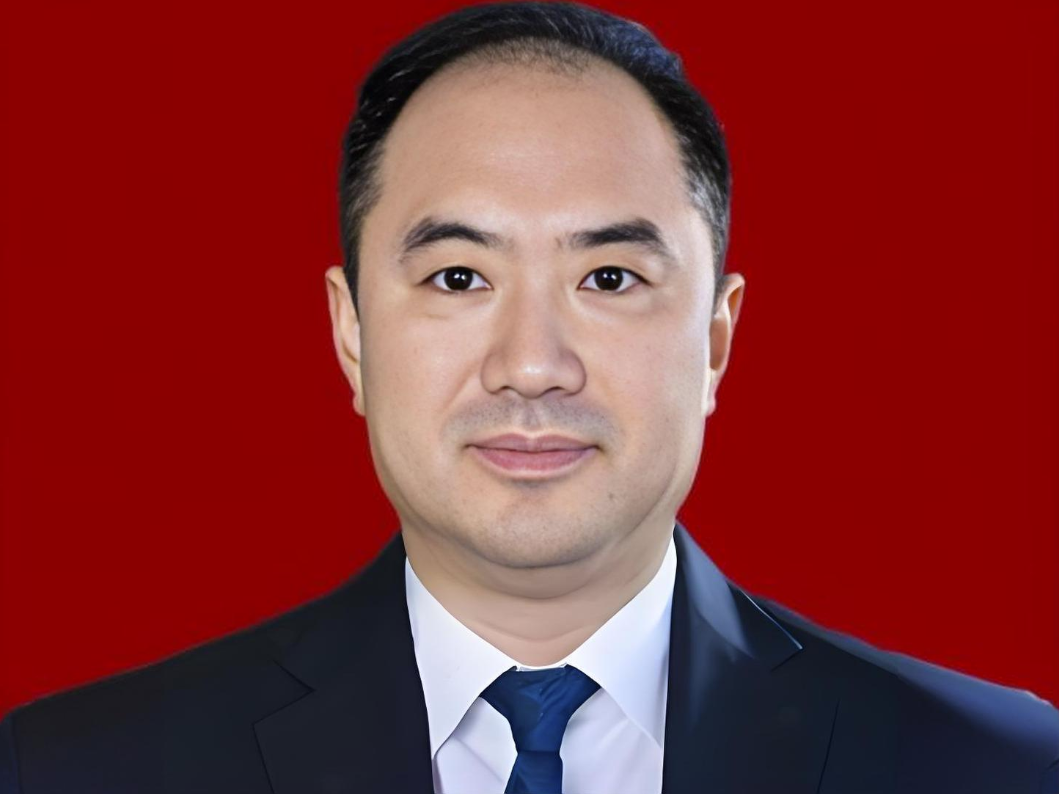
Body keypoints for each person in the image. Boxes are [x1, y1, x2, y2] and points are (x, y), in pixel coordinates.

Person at [1, 2, 1056, 792]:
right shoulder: (71, 769)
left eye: (611, 278)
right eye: (459, 277)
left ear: (716, 338)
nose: (533, 365)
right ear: (351, 333)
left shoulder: (997, 767)